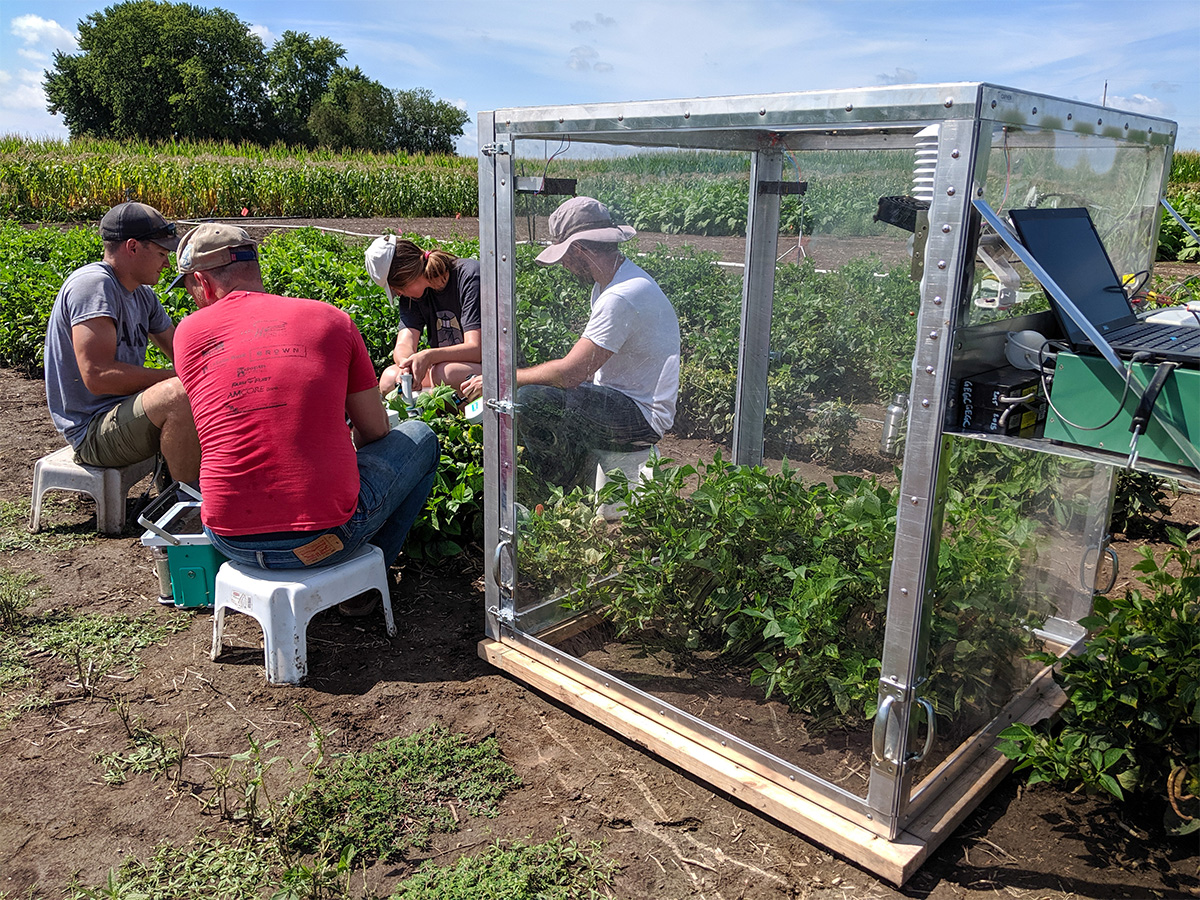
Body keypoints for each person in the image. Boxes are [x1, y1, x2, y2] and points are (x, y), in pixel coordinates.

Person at [170, 223, 438, 616]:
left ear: (203, 283)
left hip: (228, 538)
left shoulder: (186, 334)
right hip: (328, 539)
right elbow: (376, 430)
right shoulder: (330, 319)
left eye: (189, 289)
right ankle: (361, 583)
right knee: (422, 438)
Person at [464, 196, 680, 489]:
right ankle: (571, 482)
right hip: (623, 403)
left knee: (530, 400)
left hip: (639, 417)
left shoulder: (620, 296)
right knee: (541, 392)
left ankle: (552, 491)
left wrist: (500, 380)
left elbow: (571, 373)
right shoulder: (614, 283)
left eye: (565, 255)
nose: (565, 265)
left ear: (578, 249)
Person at [44, 201, 200, 483]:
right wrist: (178, 380)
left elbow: (182, 353)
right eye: (162, 253)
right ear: (132, 247)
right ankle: (187, 501)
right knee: (181, 396)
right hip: (92, 430)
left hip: (122, 415)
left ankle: (185, 490)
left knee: (202, 390)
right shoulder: (93, 285)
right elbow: (98, 377)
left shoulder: (142, 294)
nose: (167, 264)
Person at [364, 235, 482, 397]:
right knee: (389, 379)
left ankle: (444, 407)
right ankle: (438, 403)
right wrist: (406, 365)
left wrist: (429, 356)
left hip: (486, 370)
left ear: (406, 275)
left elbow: (476, 349)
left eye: (396, 288)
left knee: (444, 374)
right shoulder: (412, 297)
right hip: (444, 371)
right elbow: (404, 343)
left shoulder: (469, 276)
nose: (398, 294)